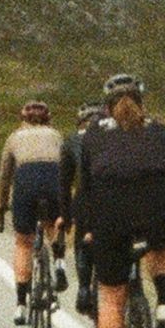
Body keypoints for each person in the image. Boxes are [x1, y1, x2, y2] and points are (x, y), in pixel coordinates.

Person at [75, 74, 165, 328]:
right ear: (142, 103)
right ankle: (163, 305)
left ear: (106, 107)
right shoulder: (160, 131)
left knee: (111, 295)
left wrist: (87, 229)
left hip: (111, 218)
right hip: (158, 213)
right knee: (160, 244)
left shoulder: (93, 134)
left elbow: (85, 189)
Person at [0, 97, 68, 317]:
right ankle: (60, 264)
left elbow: (5, 176)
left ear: (22, 119)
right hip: (53, 179)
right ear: (48, 119)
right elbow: (66, 166)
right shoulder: (56, 136)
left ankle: (20, 304)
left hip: (26, 181)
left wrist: (3, 203)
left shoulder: (14, 137)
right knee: (53, 225)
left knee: (23, 243)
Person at [64, 103, 107, 315]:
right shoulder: (113, 133)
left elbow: (64, 182)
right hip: (112, 196)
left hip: (84, 197)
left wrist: (65, 215)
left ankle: (83, 288)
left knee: (83, 239)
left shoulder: (74, 139)